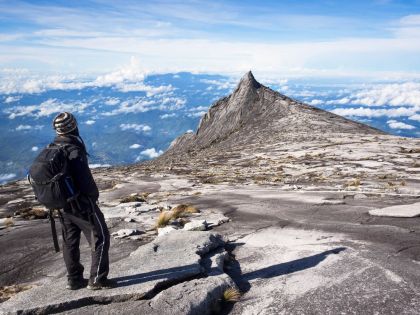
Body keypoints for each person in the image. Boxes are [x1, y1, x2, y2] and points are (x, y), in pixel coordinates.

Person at [52, 112, 112, 290]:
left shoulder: (53, 148)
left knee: (70, 241)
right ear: (73, 127)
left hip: (62, 205)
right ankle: (97, 280)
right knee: (100, 237)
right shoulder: (73, 150)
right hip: (81, 206)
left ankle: (74, 279)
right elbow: (85, 180)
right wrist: (92, 199)